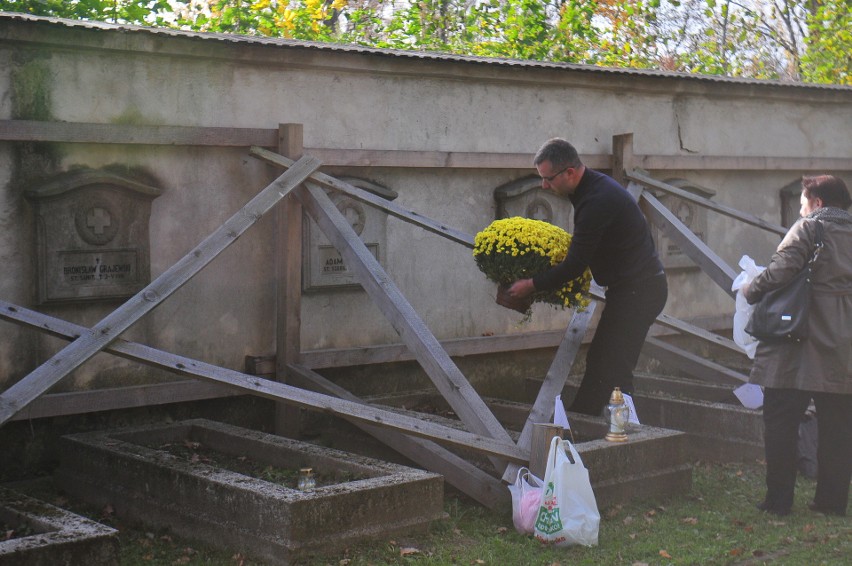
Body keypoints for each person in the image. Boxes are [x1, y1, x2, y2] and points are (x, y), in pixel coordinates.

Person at [507, 138, 667, 416]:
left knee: (616, 364)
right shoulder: (590, 189)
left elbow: (575, 264)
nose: (544, 185)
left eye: (548, 178)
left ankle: (623, 431)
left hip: (640, 291)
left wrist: (531, 285)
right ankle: (582, 419)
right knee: (603, 360)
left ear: (569, 172)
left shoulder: (596, 201)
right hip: (630, 289)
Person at [742, 174, 852, 517]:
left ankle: (779, 500)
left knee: (780, 417)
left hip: (798, 334)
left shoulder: (810, 228)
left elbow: (780, 271)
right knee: (838, 424)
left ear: (817, 203)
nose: (802, 210)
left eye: (804, 203)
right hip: (844, 338)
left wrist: (750, 289)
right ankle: (832, 502)